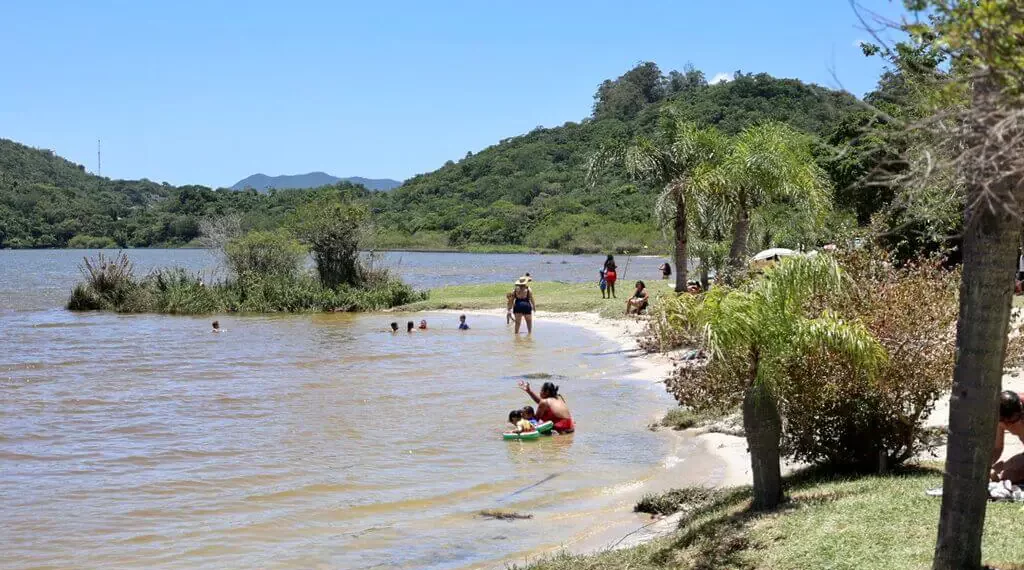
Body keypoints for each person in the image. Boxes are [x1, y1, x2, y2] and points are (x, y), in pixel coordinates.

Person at [991, 390, 1024, 484]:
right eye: (1004, 422)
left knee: (1009, 475)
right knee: (998, 468)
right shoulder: (1000, 415)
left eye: (1012, 422)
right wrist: (987, 467)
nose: (1008, 427)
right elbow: (997, 448)